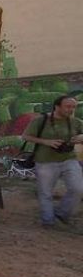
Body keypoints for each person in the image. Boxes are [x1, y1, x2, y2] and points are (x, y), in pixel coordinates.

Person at [22, 95, 83, 226]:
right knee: (45, 193)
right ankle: (48, 221)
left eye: (73, 107)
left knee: (78, 189)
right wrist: (46, 142)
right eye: (68, 106)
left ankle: (62, 213)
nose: (71, 109)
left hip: (69, 159)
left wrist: (80, 138)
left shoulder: (76, 122)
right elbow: (26, 136)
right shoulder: (41, 120)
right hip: (45, 161)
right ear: (57, 106)